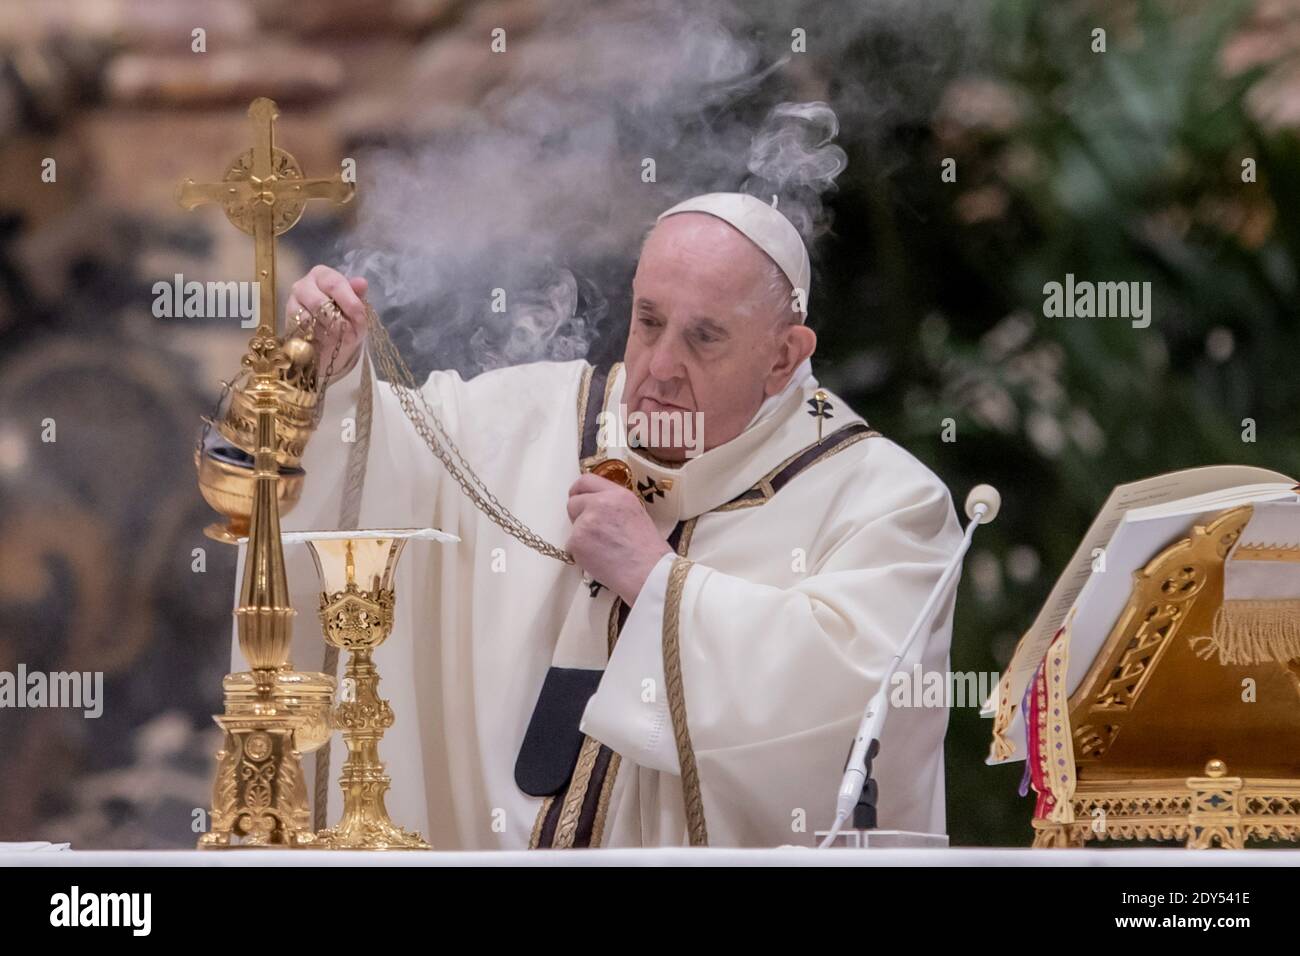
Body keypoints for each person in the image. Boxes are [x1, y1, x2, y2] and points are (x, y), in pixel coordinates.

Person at [245, 192, 961, 848]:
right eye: (648, 322)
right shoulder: (535, 421)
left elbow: (858, 705)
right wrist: (330, 376)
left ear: (784, 357)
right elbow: (383, 459)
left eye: (703, 338)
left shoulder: (881, 499)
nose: (659, 366)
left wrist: (657, 583)